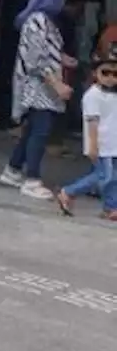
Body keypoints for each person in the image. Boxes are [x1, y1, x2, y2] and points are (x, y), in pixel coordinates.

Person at [0, 0, 74, 200]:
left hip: (44, 83)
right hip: (38, 85)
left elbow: (47, 50)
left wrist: (63, 59)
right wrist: (57, 84)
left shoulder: (46, 22)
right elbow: (37, 59)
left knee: (32, 129)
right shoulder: (37, 21)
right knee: (40, 131)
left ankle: (13, 169)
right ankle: (32, 179)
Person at [55, 44, 117, 220]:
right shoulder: (93, 96)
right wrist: (93, 145)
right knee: (103, 175)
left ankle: (111, 207)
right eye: (106, 73)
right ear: (95, 74)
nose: (111, 78)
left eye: (115, 74)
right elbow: (92, 122)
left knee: (113, 177)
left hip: (113, 142)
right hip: (101, 142)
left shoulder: (113, 95)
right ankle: (68, 192)